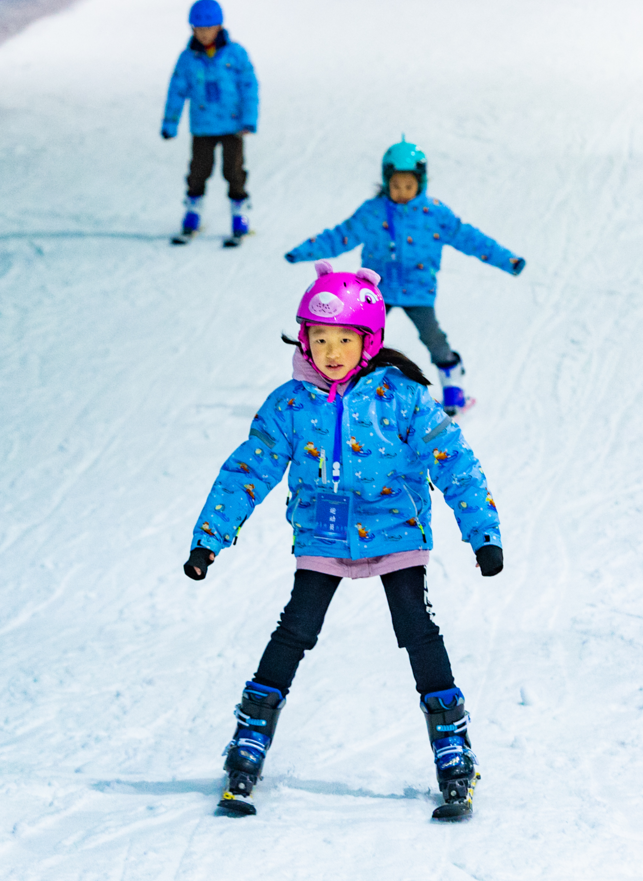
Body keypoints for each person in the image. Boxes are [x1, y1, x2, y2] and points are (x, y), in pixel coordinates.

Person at [183, 261, 505, 821]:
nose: (331, 352)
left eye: (345, 340)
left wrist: (483, 535)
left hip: (394, 530)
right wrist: (209, 538)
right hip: (323, 535)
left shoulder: (400, 397)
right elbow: (247, 470)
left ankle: (452, 746)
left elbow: (456, 462)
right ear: (305, 339)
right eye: (320, 339)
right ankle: (251, 735)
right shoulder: (290, 403)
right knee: (295, 629)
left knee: (417, 629)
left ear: (370, 340)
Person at [284, 139, 525, 415]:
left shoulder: (434, 213)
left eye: (408, 186)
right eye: (395, 186)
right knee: (361, 338)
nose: (401, 192)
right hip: (374, 293)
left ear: (421, 183)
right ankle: (352, 388)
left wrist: (509, 261)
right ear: (386, 182)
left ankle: (452, 385)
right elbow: (340, 236)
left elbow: (471, 239)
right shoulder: (372, 212)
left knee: (433, 337)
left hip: (418, 291)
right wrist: (303, 251)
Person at [162, 0, 260, 246]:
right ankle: (193, 211)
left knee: (233, 171)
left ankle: (239, 214)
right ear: (192, 29)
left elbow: (249, 86)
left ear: (219, 27)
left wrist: (249, 119)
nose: (204, 34)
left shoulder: (235, 54)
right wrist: (170, 123)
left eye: (209, 28)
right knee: (198, 171)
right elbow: (176, 91)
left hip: (233, 126)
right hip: (203, 127)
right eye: (199, 29)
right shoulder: (188, 59)